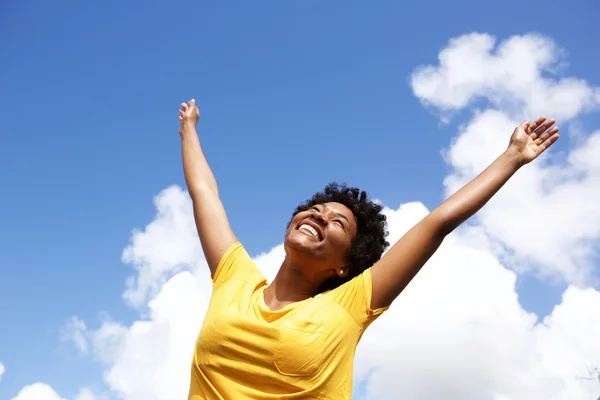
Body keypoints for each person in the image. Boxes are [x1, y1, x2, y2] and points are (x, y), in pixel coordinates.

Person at [178, 99, 559, 399]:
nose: (319, 215)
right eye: (315, 209)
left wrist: (512, 157)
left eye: (337, 222)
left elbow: (436, 224)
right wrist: (189, 130)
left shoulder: (348, 305)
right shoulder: (235, 280)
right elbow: (205, 193)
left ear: (345, 265)